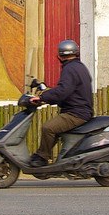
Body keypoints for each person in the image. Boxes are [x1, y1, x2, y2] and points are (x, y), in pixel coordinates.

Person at [28, 39, 93, 167]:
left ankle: (41, 157)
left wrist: (42, 98)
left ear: (59, 56)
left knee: (49, 127)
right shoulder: (79, 67)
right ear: (76, 52)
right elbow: (68, 89)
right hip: (81, 110)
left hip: (76, 113)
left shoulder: (69, 69)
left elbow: (63, 90)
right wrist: (50, 93)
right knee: (54, 128)